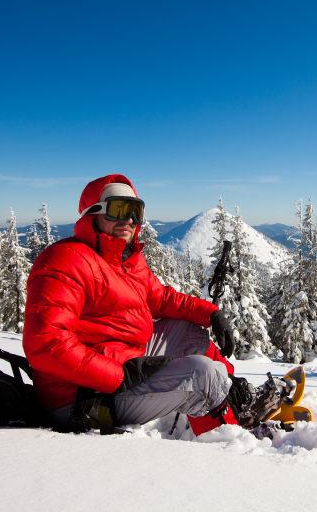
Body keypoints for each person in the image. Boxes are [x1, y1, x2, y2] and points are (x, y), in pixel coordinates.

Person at [22, 174, 276, 436]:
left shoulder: (124, 260)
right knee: (203, 376)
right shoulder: (65, 260)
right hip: (85, 397)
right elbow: (45, 343)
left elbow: (162, 298)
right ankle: (234, 442)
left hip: (124, 360)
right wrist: (118, 375)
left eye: (135, 211)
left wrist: (210, 313)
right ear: (92, 214)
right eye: (118, 209)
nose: (129, 220)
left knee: (188, 332)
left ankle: (236, 400)